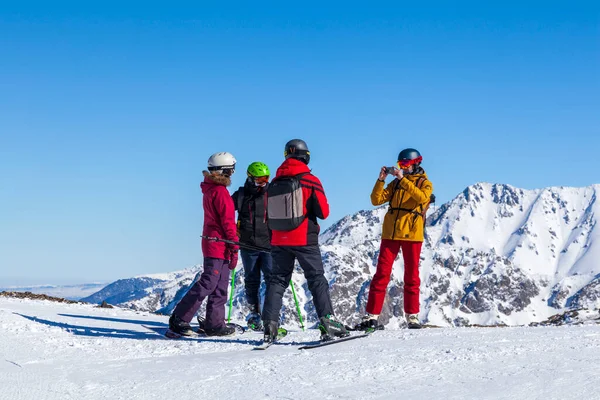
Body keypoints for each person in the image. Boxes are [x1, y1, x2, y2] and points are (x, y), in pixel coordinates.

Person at [261, 139, 348, 342]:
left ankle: (270, 326)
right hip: (304, 238)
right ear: (305, 156)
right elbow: (323, 212)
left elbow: (267, 214)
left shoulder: (274, 182)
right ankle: (328, 324)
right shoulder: (310, 180)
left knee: (277, 280)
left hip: (278, 239)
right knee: (316, 279)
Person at [356, 148, 433, 330]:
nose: (403, 168)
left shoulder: (425, 183)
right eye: (400, 165)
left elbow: (421, 198)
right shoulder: (396, 184)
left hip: (412, 234)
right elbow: (376, 200)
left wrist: (401, 179)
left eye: (405, 164)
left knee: (411, 276)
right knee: (381, 274)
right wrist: (381, 180)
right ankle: (372, 315)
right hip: (390, 234)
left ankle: (412, 316)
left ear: (416, 163)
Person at [168, 152, 239, 336]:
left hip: (217, 243)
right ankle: (179, 318)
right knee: (209, 282)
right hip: (218, 244)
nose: (232, 174)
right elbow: (228, 222)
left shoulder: (211, 190)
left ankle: (214, 324)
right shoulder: (220, 192)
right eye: (231, 170)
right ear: (224, 171)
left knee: (220, 285)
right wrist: (234, 245)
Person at [231, 162, 273, 331]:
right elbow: (226, 213)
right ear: (250, 178)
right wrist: (234, 231)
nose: (263, 182)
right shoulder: (241, 195)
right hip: (248, 245)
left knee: (272, 279)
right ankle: (255, 313)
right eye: (259, 179)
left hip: (269, 245)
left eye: (266, 179)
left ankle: (271, 314)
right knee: (251, 280)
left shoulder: (271, 194)